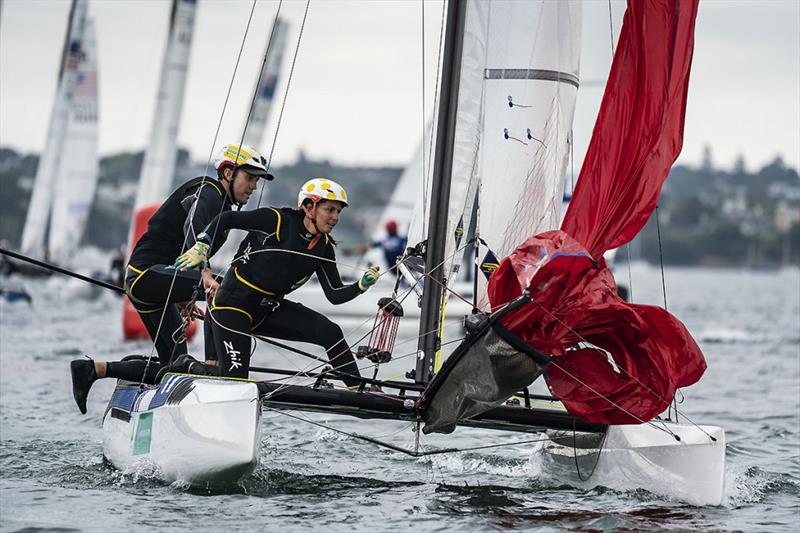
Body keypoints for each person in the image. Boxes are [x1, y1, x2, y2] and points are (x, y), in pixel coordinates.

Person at [69, 143, 273, 414]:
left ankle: (94, 369)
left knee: (174, 368)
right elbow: (192, 228)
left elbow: (180, 246)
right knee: (223, 291)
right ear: (227, 173)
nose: (253, 187)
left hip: (152, 283)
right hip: (147, 276)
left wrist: (181, 293)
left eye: (256, 181)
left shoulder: (220, 204)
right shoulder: (209, 192)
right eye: (249, 178)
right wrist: (201, 275)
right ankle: (215, 371)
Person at [173, 178, 380, 387]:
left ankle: (358, 388)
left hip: (267, 310)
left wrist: (361, 285)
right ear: (309, 207)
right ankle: (187, 365)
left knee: (330, 332)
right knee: (235, 381)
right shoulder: (276, 220)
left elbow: (335, 294)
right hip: (231, 306)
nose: (335, 218)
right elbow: (226, 218)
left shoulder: (323, 247)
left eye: (338, 212)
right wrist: (202, 244)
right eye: (330, 210)